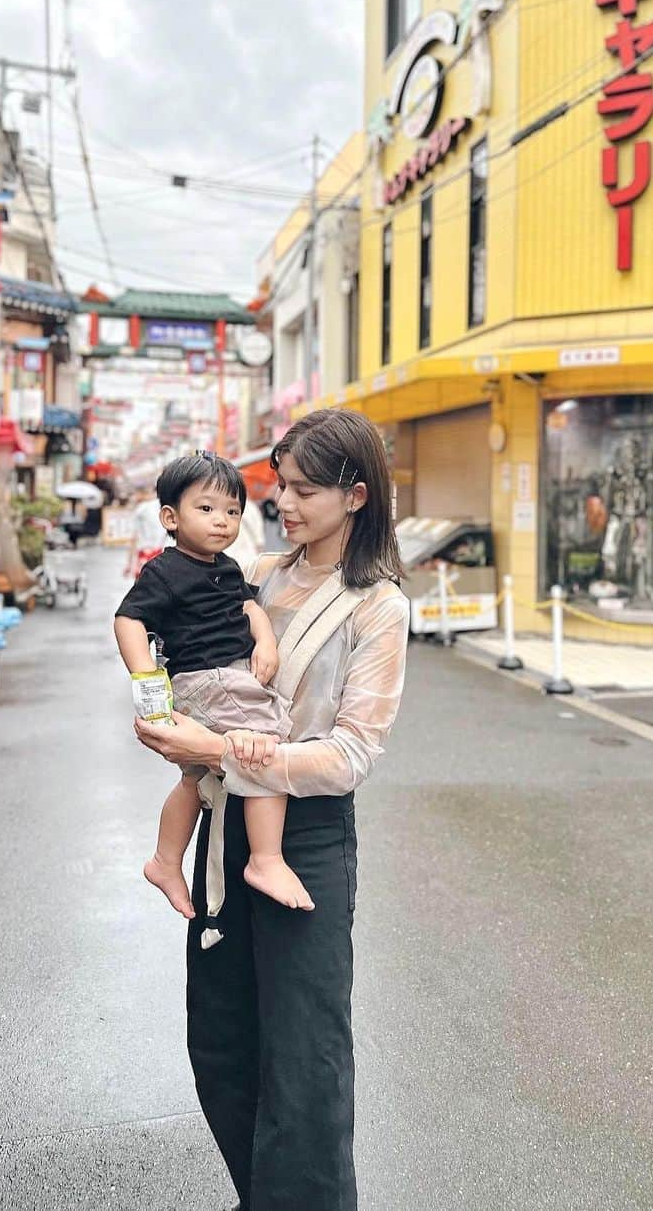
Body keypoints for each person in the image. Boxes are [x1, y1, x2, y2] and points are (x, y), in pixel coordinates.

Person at [132, 408, 410, 1211]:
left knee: (304, 1061)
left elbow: (351, 755)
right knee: (221, 1042)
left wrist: (220, 751)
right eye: (278, 486)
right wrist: (160, 716)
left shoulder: (377, 607)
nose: (281, 502)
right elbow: (166, 648)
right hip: (225, 823)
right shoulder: (256, 574)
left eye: (301, 489)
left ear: (355, 496)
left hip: (306, 840)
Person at [115, 453, 315, 925]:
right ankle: (265, 859)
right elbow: (128, 619)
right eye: (206, 509)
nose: (222, 522)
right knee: (266, 748)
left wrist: (265, 642)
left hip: (228, 675)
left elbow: (248, 609)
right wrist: (147, 680)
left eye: (231, 512)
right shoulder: (164, 572)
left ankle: (165, 861)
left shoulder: (225, 567)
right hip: (209, 678)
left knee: (196, 778)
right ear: (170, 517)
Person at [123, 484, 169, 580]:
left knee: (141, 590)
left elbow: (134, 538)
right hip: (159, 554)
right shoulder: (163, 507)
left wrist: (129, 563)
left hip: (144, 554)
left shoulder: (140, 510)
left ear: (141, 494)